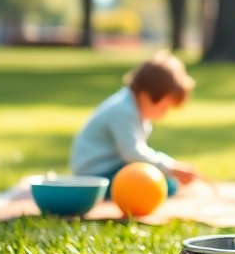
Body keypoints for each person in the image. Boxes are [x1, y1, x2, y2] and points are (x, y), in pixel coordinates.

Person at [70, 51, 201, 192]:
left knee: (164, 182)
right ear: (146, 95)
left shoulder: (131, 107)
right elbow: (132, 153)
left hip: (110, 167)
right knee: (162, 186)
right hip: (97, 174)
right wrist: (169, 167)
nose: (163, 115)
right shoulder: (123, 110)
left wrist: (170, 166)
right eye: (163, 108)